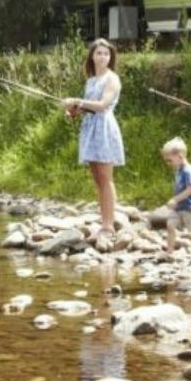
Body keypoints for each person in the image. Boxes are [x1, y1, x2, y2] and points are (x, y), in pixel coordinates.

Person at [63, 38, 124, 242]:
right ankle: (104, 220)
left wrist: (77, 101)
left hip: (104, 129)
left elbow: (103, 104)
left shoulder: (112, 79)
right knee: (97, 178)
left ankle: (108, 226)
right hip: (90, 128)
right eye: (98, 53)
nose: (102, 57)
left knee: (106, 178)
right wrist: (75, 111)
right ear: (92, 56)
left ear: (110, 57)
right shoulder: (90, 80)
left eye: (106, 54)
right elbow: (89, 107)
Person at [159, 136, 191, 255]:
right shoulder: (178, 170)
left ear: (180, 156)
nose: (168, 163)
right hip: (179, 207)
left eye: (170, 160)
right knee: (170, 225)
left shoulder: (188, 171)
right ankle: (169, 251)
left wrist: (175, 199)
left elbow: (190, 189)